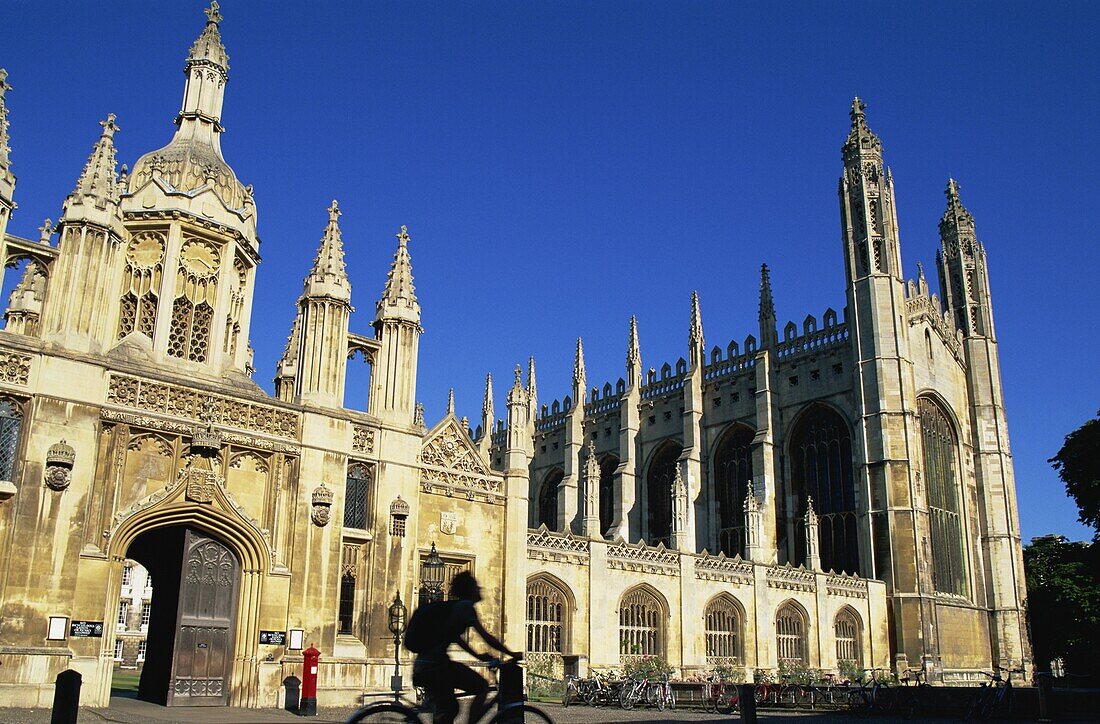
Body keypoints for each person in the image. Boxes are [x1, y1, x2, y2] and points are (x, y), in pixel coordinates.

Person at [412, 571, 522, 724]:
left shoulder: (456, 609)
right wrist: (511, 653)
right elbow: (487, 637)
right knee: (482, 687)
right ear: (470, 590)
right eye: (476, 587)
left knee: (448, 709)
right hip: (435, 667)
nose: (479, 589)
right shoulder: (465, 607)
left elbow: (457, 639)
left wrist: (479, 656)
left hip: (425, 665)